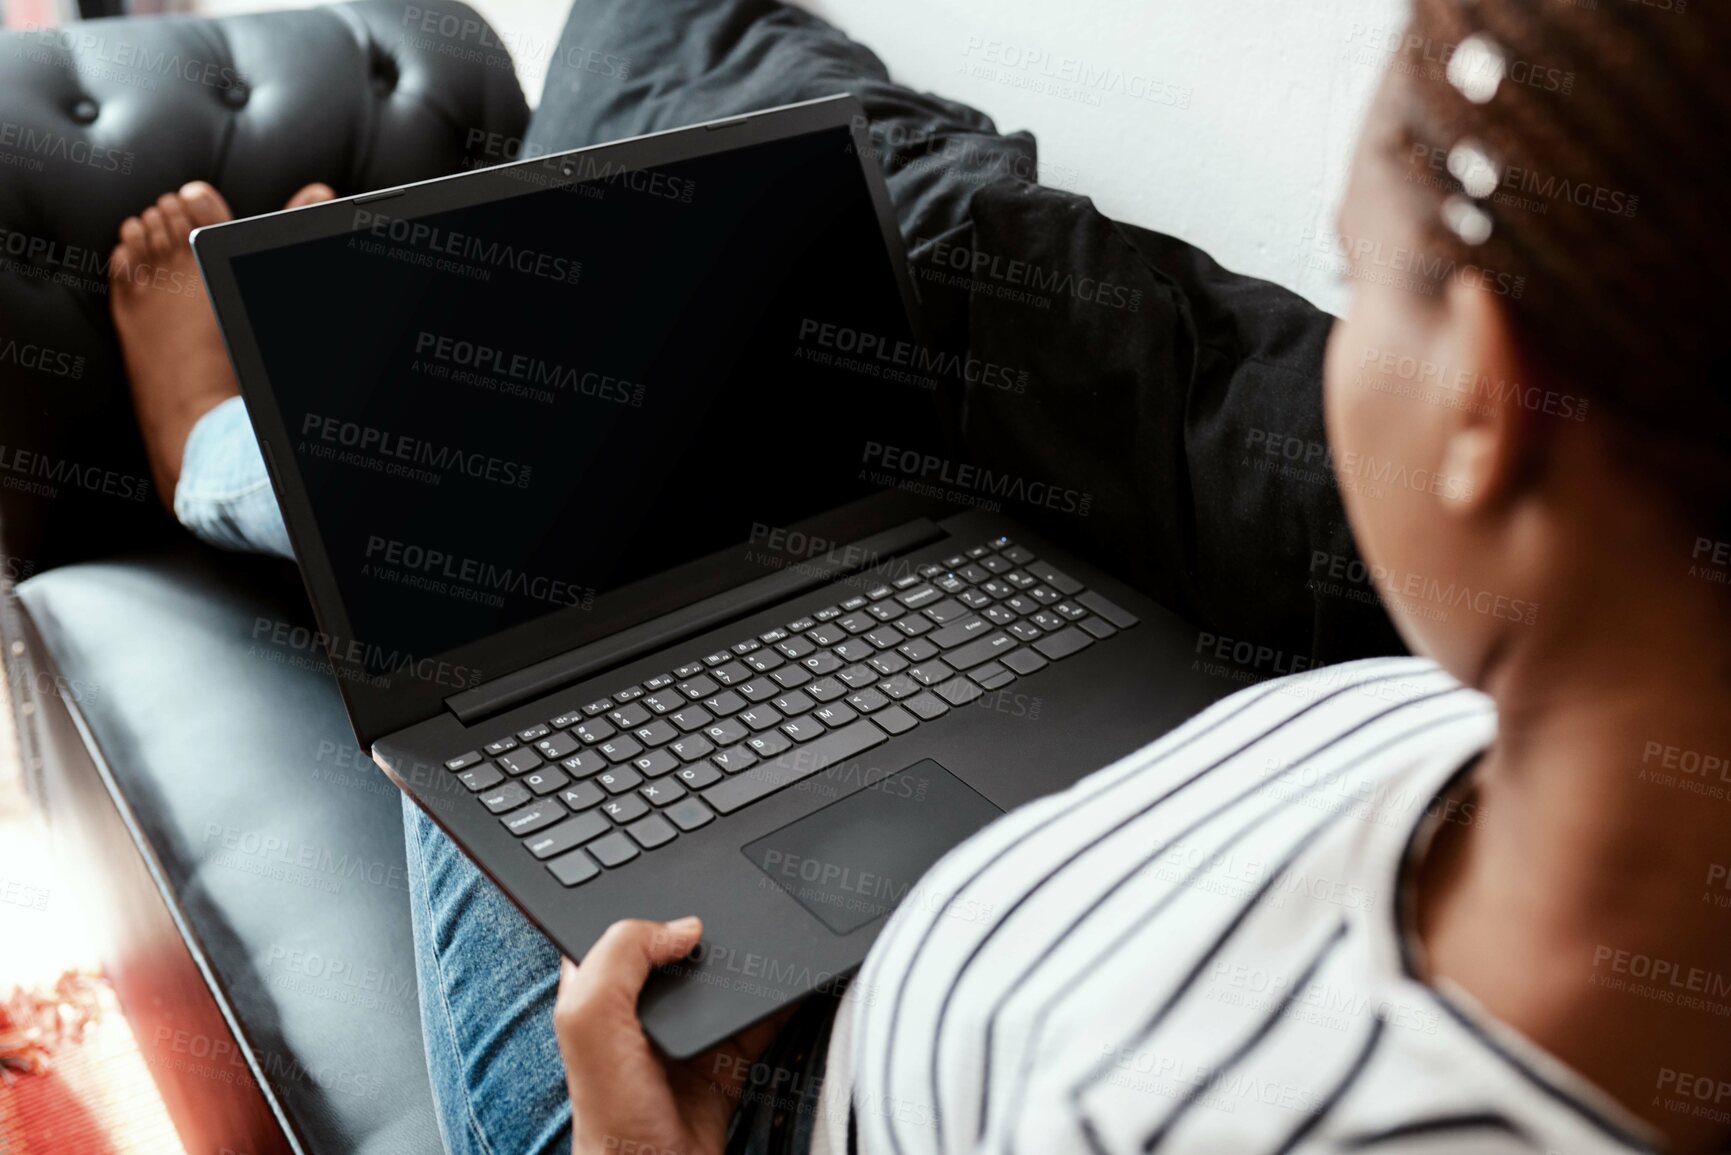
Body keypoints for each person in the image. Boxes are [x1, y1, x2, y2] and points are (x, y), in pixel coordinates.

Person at [106, 0, 1731, 1151]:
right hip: (932, 829)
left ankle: (246, 441)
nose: (1334, 330)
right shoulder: (1486, 718)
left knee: (478, 621)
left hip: (731, 1105)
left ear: (1481, 405)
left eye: (1356, 280)